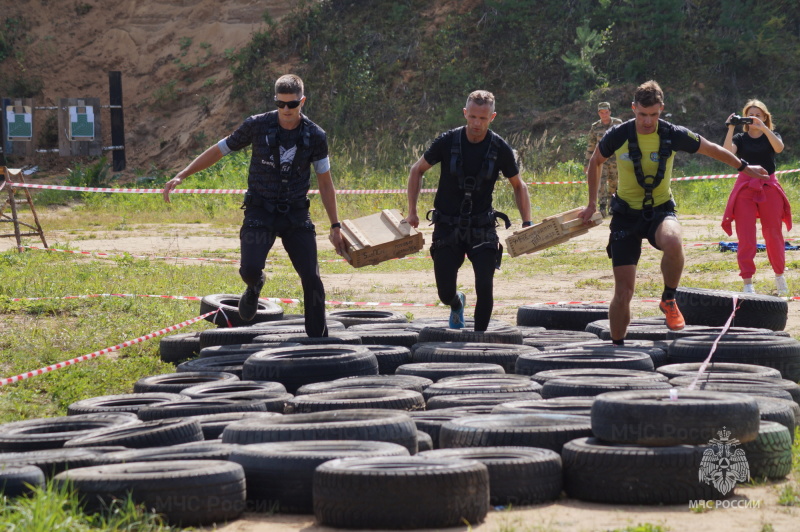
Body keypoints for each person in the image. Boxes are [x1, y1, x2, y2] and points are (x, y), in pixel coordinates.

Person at [579, 80, 769, 343]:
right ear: (634, 109)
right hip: (625, 215)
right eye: (642, 115)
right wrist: (591, 204)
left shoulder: (672, 133)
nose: (648, 121)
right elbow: (595, 161)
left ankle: (669, 298)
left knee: (673, 239)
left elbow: (712, 149)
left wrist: (745, 167)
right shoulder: (618, 134)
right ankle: (617, 348)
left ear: (662, 109)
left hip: (660, 211)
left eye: (654, 114)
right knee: (623, 292)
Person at [163, 74, 347, 336]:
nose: (285, 110)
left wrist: (335, 225)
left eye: (292, 105)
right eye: (280, 104)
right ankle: (255, 285)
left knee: (312, 278)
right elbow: (219, 150)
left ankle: (318, 338)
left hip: (295, 214)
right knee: (249, 269)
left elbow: (326, 183)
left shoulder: (316, 135)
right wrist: (182, 174)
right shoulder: (257, 125)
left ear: (302, 101)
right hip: (260, 210)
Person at [406, 90, 532, 332]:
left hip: (482, 228)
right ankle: (456, 303)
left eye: (483, 119)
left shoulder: (500, 147)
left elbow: (519, 185)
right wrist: (412, 211)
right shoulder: (447, 141)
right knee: (444, 293)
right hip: (447, 227)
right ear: (465, 113)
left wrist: (527, 223)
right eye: (472, 117)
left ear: (492, 117)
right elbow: (416, 170)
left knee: (485, 287)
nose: (476, 123)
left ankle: (479, 340)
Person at [722, 99, 791, 296]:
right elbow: (727, 154)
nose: (753, 118)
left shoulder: (772, 136)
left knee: (773, 232)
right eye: (750, 115)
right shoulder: (740, 139)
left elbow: (778, 148)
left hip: (769, 186)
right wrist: (730, 128)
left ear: (765, 117)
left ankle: (779, 275)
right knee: (746, 235)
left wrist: (764, 128)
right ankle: (748, 282)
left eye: (757, 115)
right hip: (745, 187)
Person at [584, 102, 623, 217]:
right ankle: (601, 207)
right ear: (598, 113)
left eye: (606, 112)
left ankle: (612, 205)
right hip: (600, 159)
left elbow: (624, 142)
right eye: (602, 112)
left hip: (615, 160)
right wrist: (587, 163)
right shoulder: (595, 126)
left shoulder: (618, 123)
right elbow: (591, 145)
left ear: (610, 112)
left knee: (614, 182)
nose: (604, 115)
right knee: (600, 182)